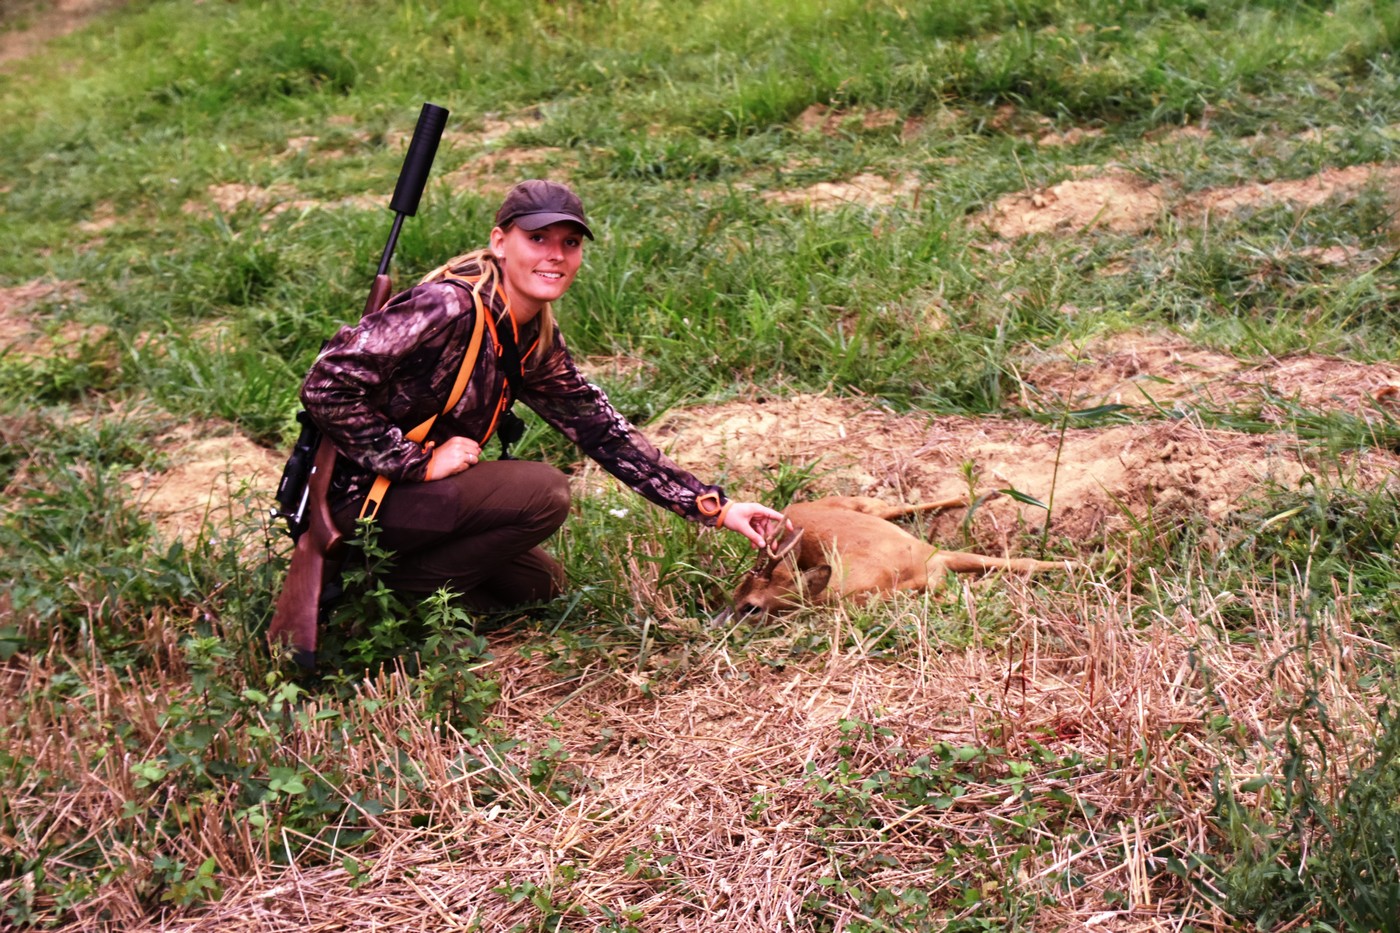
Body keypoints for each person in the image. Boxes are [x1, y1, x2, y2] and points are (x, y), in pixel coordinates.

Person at [300, 179, 785, 616]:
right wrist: (415, 461)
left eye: (569, 243)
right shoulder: (448, 304)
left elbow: (601, 430)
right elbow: (326, 385)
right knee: (543, 492)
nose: (555, 255)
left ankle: (395, 590)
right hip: (360, 499)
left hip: (408, 500)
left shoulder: (528, 333)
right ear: (499, 242)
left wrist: (715, 508)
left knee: (540, 586)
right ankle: (393, 595)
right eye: (537, 239)